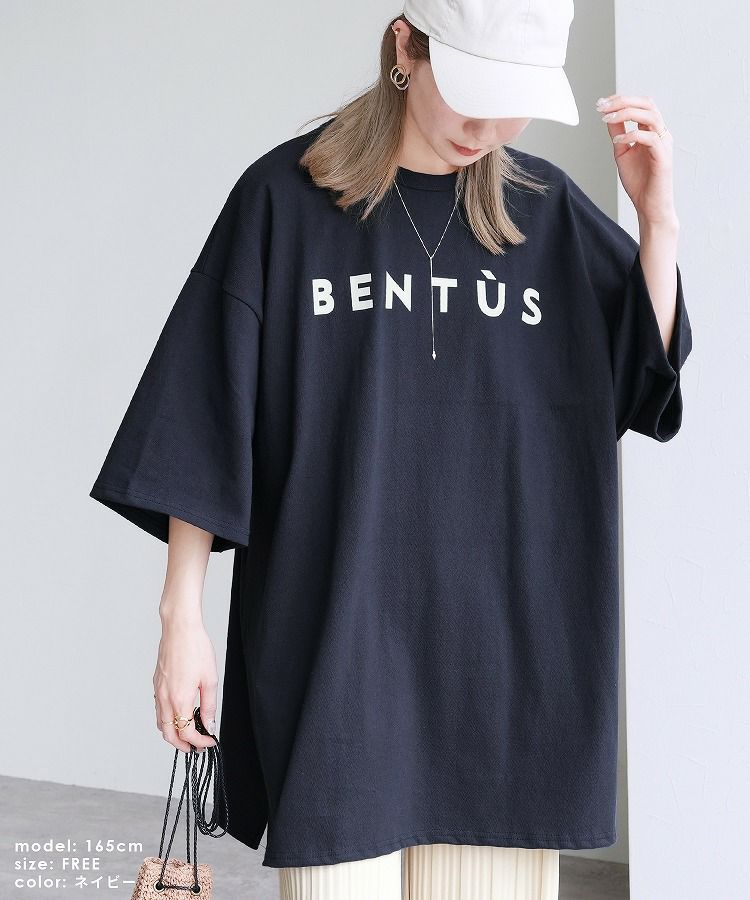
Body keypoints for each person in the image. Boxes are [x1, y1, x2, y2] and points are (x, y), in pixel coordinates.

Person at [89, 1, 692, 898]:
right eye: (473, 96)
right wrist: (182, 621)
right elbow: (202, 414)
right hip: (337, 658)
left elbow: (646, 380)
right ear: (406, 47)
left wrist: (658, 222)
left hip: (510, 677)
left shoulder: (545, 213)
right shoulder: (282, 201)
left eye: (514, 105)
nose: (489, 130)